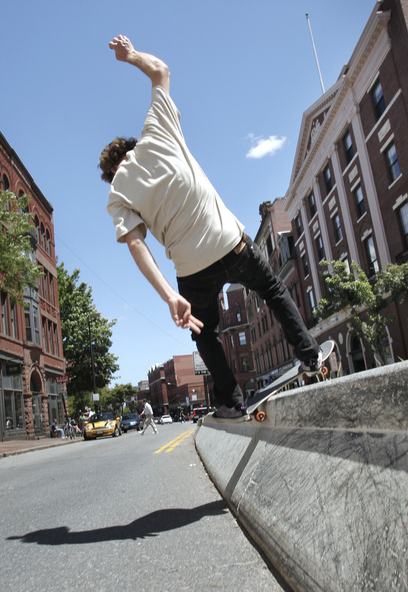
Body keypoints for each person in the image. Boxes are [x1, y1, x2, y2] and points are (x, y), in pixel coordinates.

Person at [100, 35, 321, 420]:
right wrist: (130, 55)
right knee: (270, 289)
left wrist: (170, 295)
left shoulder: (116, 195)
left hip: (190, 270)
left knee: (204, 332)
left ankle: (231, 400)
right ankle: (310, 355)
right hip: (230, 244)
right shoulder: (157, 132)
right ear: (130, 147)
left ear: (109, 173)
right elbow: (161, 71)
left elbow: (136, 245)